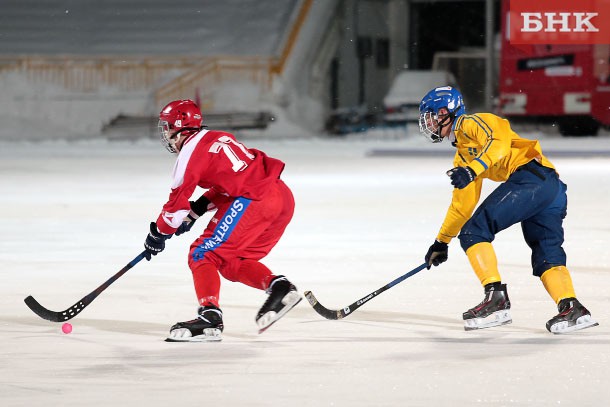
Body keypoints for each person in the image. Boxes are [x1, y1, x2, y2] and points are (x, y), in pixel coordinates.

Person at [418, 86, 598, 334]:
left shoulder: (473, 122)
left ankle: (496, 300)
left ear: (445, 111)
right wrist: (442, 241)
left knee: (474, 232)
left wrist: (473, 170)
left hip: (532, 179)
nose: (428, 123)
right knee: (546, 255)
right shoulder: (462, 157)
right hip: (549, 189)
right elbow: (462, 206)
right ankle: (572, 308)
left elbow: (498, 144)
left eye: (430, 116)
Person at [143, 99, 301, 342]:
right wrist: (197, 209)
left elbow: (175, 207)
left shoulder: (189, 154)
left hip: (255, 201)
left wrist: (158, 233)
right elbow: (232, 182)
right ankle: (279, 287)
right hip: (280, 197)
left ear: (179, 126)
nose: (166, 134)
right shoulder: (217, 137)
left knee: (202, 253)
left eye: (168, 127)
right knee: (231, 261)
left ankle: (209, 319)